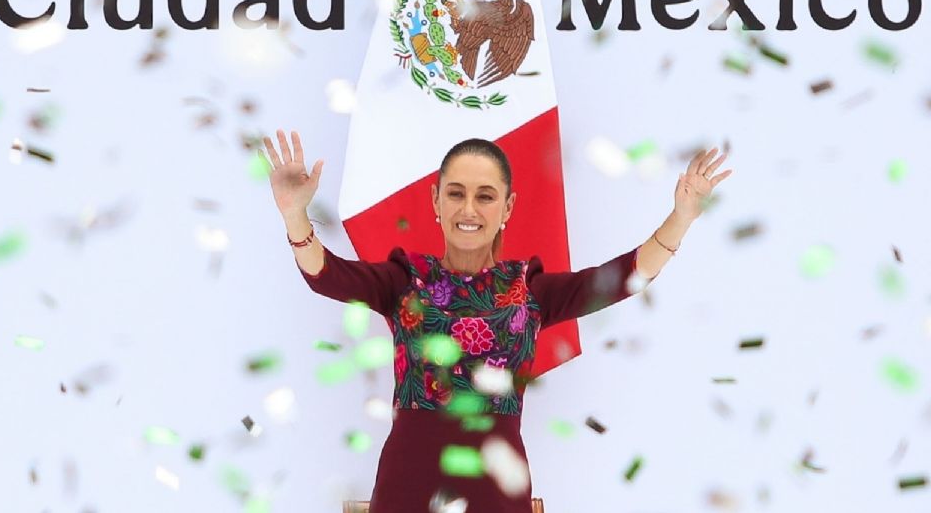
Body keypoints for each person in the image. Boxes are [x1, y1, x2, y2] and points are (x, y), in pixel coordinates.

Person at [261, 129, 731, 512]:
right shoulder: (405, 279)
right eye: (456, 194)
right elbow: (326, 275)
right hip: (407, 489)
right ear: (435, 202)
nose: (469, 209)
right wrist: (295, 216)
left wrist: (682, 216)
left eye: (486, 196)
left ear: (506, 208)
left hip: (496, 494)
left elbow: (624, 277)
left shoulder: (530, 290)